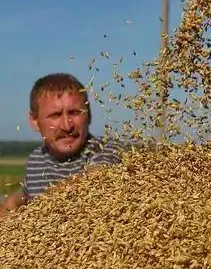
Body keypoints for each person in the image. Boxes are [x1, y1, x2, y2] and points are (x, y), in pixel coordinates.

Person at [0, 73, 121, 217]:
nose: (66, 126)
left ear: (89, 115)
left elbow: (96, 178)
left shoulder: (106, 149)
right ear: (34, 121)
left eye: (75, 112)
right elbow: (22, 195)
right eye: (55, 115)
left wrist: (36, 207)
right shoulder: (36, 160)